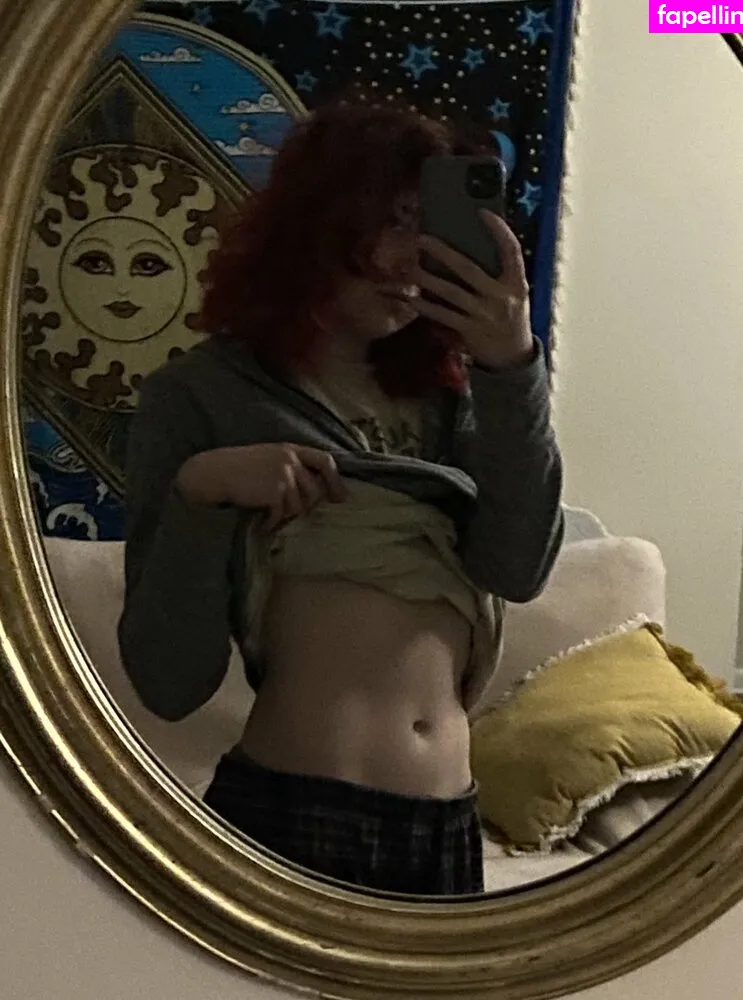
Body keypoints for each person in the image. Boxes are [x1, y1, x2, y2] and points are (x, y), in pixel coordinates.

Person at [118, 96, 564, 897]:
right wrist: (201, 491)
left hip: (445, 829)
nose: (415, 256)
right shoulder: (204, 396)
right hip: (292, 811)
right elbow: (167, 680)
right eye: (394, 221)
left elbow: (519, 567)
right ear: (319, 222)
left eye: (430, 224)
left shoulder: (455, 401)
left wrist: (513, 365)